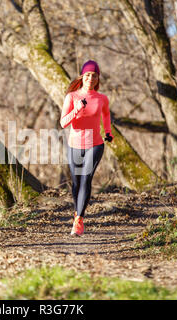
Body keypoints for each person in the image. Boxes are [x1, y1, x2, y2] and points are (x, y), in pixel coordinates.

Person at [60, 60, 113, 236]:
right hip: (75, 145)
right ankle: (77, 213)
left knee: (85, 179)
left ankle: (79, 220)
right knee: (75, 184)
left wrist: (108, 132)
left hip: (95, 144)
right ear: (82, 77)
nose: (91, 78)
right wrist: (76, 110)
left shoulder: (102, 99)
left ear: (98, 79)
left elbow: (106, 115)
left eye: (95, 76)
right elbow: (63, 123)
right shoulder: (72, 97)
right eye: (88, 75)